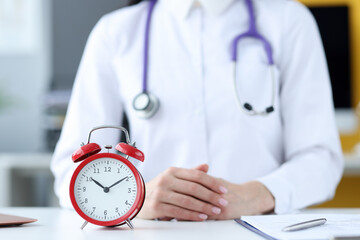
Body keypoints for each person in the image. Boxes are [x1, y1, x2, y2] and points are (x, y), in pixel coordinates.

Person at [51, 0, 344, 221]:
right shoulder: (115, 31)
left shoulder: (289, 20)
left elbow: (321, 159)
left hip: (264, 228)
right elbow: (70, 167)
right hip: (153, 233)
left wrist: (258, 195)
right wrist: (134, 199)